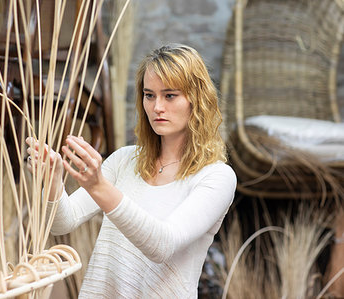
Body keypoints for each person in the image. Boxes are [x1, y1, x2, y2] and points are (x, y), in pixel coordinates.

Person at [26, 44, 237, 298]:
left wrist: (98, 186)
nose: (157, 107)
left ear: (197, 99)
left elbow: (162, 244)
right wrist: (53, 181)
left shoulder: (216, 177)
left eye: (169, 95)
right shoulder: (125, 160)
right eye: (149, 95)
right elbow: (63, 223)